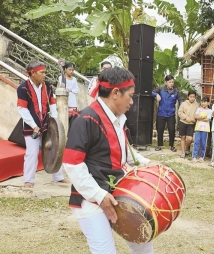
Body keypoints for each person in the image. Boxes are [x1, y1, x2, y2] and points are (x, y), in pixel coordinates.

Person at [62, 67, 155, 253]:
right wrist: (99, 195)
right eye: (129, 96)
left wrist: (149, 165)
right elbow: (71, 164)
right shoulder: (85, 119)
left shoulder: (118, 118)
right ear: (115, 93)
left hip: (118, 193)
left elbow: (125, 153)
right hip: (91, 199)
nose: (131, 102)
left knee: (143, 245)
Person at [17, 61, 69, 188]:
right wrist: (33, 125)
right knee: (32, 153)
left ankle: (58, 177)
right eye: (42, 72)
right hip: (31, 127)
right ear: (33, 73)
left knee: (55, 150)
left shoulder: (47, 86)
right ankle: (28, 180)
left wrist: (55, 121)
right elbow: (22, 109)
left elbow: (52, 103)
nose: (45, 75)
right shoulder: (23, 88)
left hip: (47, 124)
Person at [152, 75, 181, 152]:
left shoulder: (176, 91)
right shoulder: (161, 89)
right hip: (161, 113)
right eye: (169, 82)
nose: (171, 83)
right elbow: (151, 92)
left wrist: (181, 109)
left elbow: (181, 101)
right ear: (166, 82)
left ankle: (172, 146)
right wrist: (157, 94)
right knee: (160, 129)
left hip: (171, 114)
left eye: (172, 82)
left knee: (172, 130)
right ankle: (159, 145)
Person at [178, 90, 199, 158]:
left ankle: (187, 148)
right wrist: (186, 117)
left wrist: (194, 119)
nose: (192, 98)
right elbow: (180, 112)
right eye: (191, 97)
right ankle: (183, 153)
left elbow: (198, 114)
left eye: (193, 97)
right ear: (188, 97)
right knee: (183, 137)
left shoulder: (197, 105)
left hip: (191, 124)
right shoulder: (184, 103)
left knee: (190, 139)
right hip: (183, 122)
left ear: (195, 97)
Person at [192, 96, 212, 163]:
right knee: (196, 142)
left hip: (205, 129)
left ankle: (201, 156)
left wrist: (200, 117)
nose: (203, 103)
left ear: (208, 103)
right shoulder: (199, 109)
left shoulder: (209, 111)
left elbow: (208, 119)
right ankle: (194, 156)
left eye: (205, 102)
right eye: (202, 102)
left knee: (203, 143)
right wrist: (203, 117)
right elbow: (195, 116)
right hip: (198, 128)